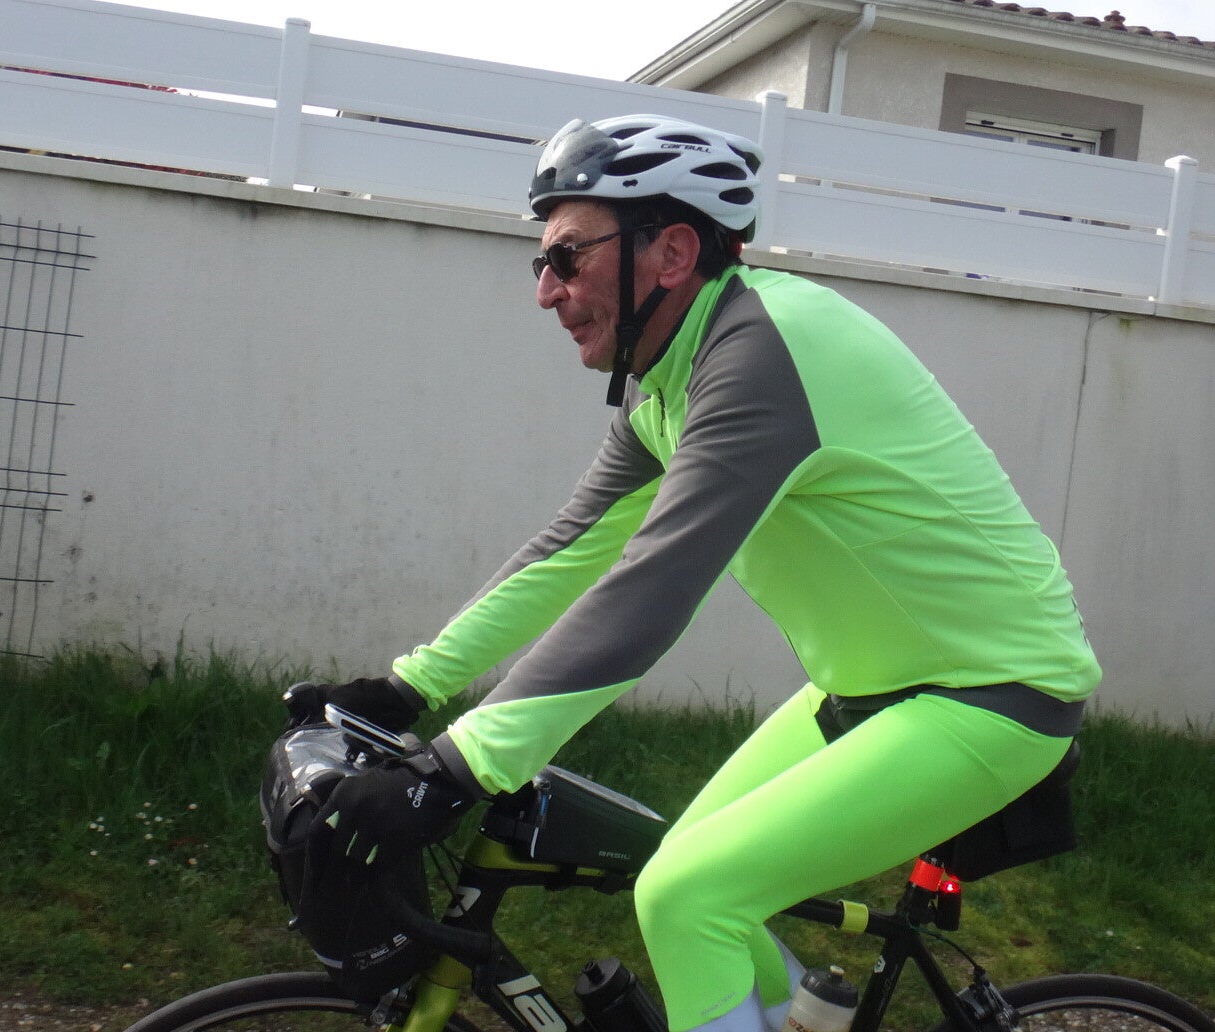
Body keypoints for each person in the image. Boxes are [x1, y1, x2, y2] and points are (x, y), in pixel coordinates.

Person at [308, 114, 1102, 1032]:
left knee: (688, 898)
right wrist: (408, 688)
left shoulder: (766, 352)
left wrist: (459, 768)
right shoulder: (673, 383)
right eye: (541, 263)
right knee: (679, 874)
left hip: (992, 693)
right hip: (868, 690)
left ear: (673, 252)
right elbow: (567, 549)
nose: (546, 291)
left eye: (566, 257)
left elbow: (650, 590)